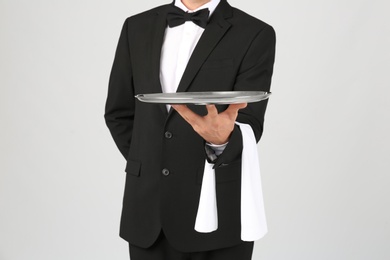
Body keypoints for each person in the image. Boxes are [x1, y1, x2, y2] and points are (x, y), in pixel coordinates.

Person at [104, 0, 276, 259]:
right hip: (148, 211)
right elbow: (119, 112)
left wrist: (221, 141)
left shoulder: (255, 32)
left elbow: (250, 121)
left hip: (217, 210)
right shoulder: (135, 26)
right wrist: (152, 162)